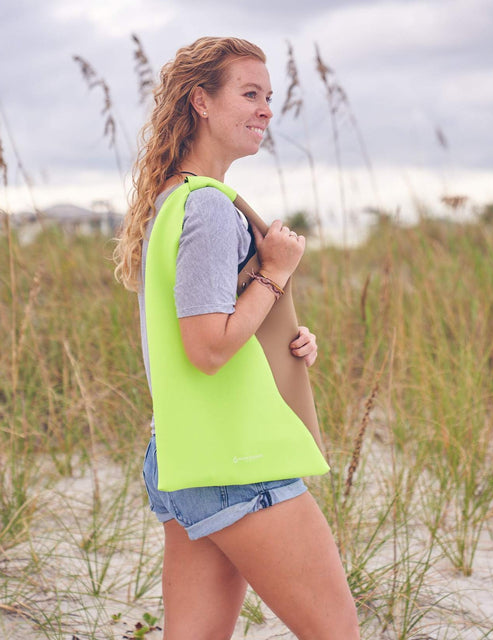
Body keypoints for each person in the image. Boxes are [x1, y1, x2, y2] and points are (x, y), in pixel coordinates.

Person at [113, 37, 360, 640]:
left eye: (269, 97)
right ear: (201, 101)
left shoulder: (173, 200)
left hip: (184, 452)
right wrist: (275, 275)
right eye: (249, 94)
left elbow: (211, 335)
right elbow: (207, 346)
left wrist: (283, 342)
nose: (266, 109)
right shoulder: (208, 209)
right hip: (237, 460)